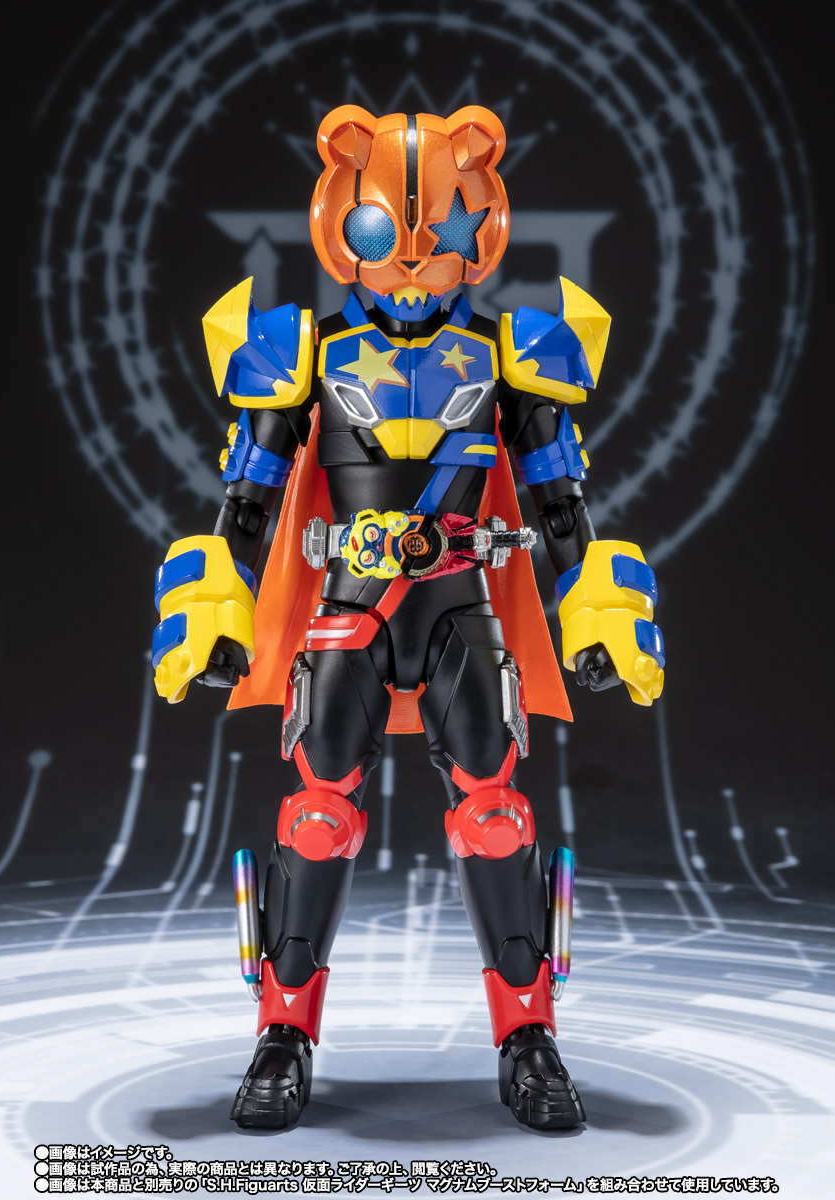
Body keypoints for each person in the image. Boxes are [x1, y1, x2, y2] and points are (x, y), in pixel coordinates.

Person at [152, 105, 664, 1131]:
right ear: (342, 223)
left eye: (439, 230)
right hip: (347, 609)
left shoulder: (515, 353)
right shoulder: (297, 350)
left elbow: (561, 506)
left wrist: (596, 611)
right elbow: (246, 505)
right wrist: (213, 606)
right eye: (384, 229)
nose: (415, 254)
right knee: (316, 816)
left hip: (458, 607)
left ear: (484, 226)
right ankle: (282, 1033)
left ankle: (527, 1037)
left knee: (494, 816)